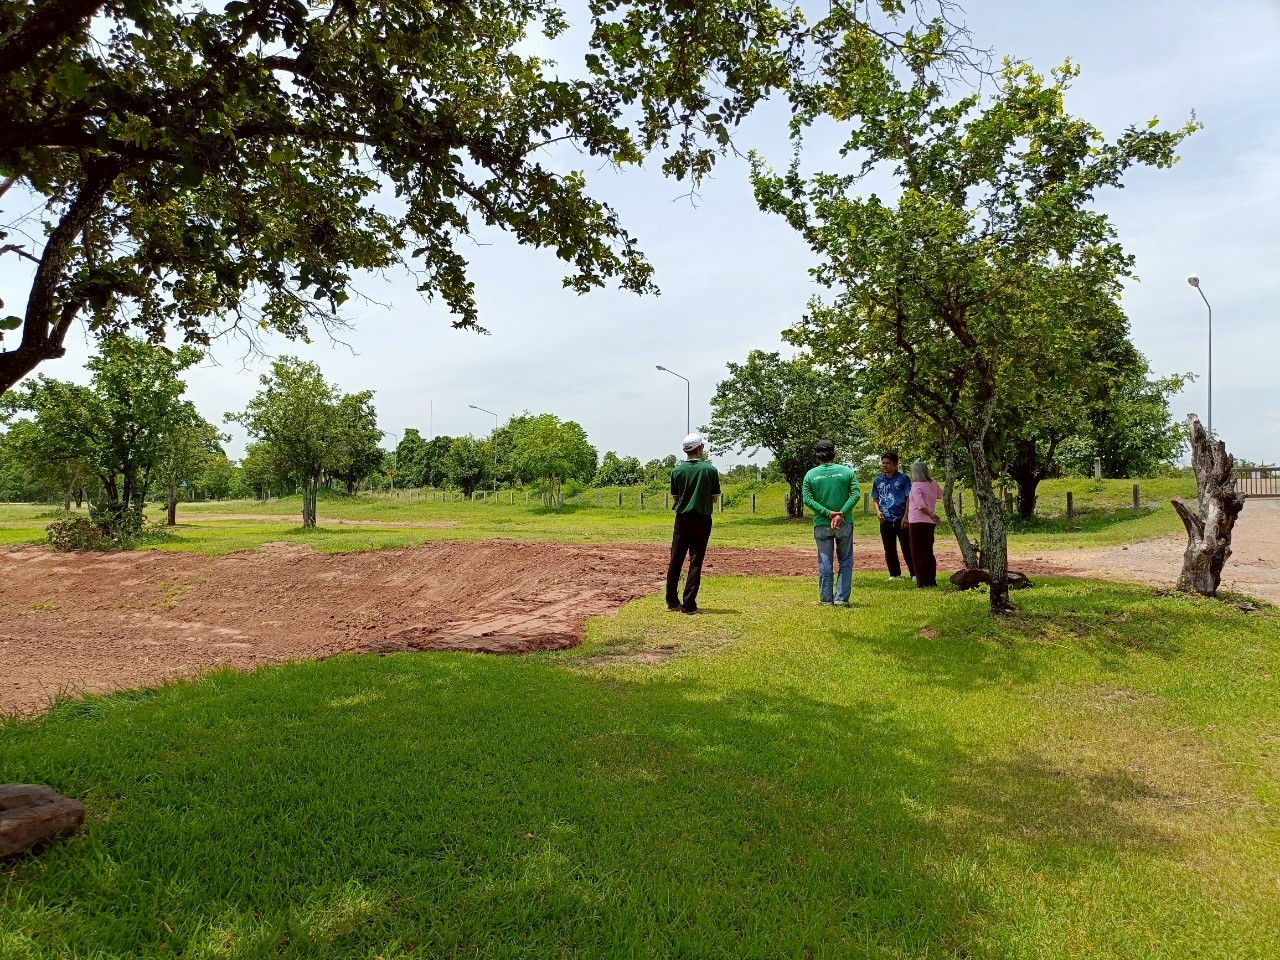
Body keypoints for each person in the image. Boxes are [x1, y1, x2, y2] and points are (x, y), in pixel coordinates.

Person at [666, 432, 721, 614]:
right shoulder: (710, 471)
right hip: (702, 519)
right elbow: (714, 498)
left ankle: (672, 601)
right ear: (699, 448)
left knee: (676, 559)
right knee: (695, 561)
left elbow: (676, 497)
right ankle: (689, 604)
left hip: (682, 520)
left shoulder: (676, 471)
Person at [802, 439, 860, 607]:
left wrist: (828, 513)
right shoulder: (846, 472)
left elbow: (807, 499)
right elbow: (855, 495)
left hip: (822, 524)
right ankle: (842, 599)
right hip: (844, 524)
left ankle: (826, 599)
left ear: (817, 455)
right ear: (834, 453)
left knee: (825, 562)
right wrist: (841, 513)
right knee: (846, 561)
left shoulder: (810, 475)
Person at [871, 451, 914, 581]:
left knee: (907, 547)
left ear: (895, 464)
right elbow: (875, 499)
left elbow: (909, 498)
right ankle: (894, 574)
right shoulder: (878, 480)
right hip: (885, 519)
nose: (885, 465)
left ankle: (914, 573)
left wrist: (906, 516)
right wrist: (878, 512)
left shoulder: (903, 479)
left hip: (901, 518)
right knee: (889, 548)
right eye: (883, 463)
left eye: (888, 463)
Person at [907, 460, 943, 588]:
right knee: (928, 552)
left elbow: (921, 505)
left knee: (917, 553)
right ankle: (931, 581)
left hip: (917, 521)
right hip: (929, 523)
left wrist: (931, 514)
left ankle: (922, 582)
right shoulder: (933, 483)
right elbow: (940, 495)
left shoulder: (916, 485)